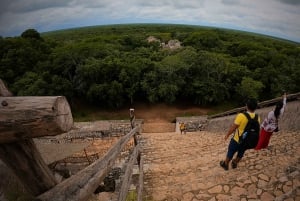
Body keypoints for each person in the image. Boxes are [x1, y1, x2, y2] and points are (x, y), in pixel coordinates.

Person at [220, 98, 260, 170]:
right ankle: (235, 163)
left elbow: (233, 127)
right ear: (255, 107)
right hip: (247, 140)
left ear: (247, 106)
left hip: (237, 139)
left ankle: (225, 164)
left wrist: (227, 135)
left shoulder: (241, 116)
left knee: (231, 151)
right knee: (241, 152)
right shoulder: (257, 117)